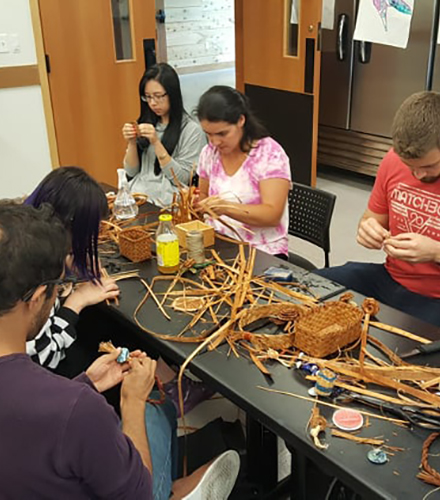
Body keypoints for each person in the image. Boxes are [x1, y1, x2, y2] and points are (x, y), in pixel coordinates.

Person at [0, 202, 240, 499]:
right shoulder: (77, 410)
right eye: (56, 288)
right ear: (37, 297)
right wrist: (131, 401)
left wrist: (85, 384)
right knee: (157, 404)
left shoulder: (58, 401)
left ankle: (173, 485)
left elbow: (29, 424)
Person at [316, 91, 440, 342]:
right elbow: (372, 218)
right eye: (410, 166)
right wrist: (368, 229)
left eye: (428, 166)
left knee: (390, 351)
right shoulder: (393, 160)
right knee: (309, 291)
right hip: (391, 278)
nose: (418, 176)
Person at [24, 166, 120, 369]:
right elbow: (46, 357)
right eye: (90, 230)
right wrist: (77, 300)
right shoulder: (35, 268)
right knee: (105, 330)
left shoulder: (25, 232)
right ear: (70, 225)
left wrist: (67, 265)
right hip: (38, 374)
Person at [196, 86, 292, 257]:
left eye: (222, 133)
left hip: (262, 250)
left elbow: (272, 215)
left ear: (241, 120)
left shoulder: (269, 155)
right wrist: (197, 203)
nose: (215, 141)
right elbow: (202, 194)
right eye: (208, 134)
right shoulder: (209, 153)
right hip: (219, 241)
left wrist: (226, 208)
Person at [122, 63, 206, 207]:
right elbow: (131, 172)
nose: (153, 103)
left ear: (172, 94)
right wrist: (131, 143)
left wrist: (156, 143)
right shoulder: (145, 123)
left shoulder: (192, 130)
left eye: (158, 96)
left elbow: (182, 180)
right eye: (147, 97)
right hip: (137, 198)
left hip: (167, 206)